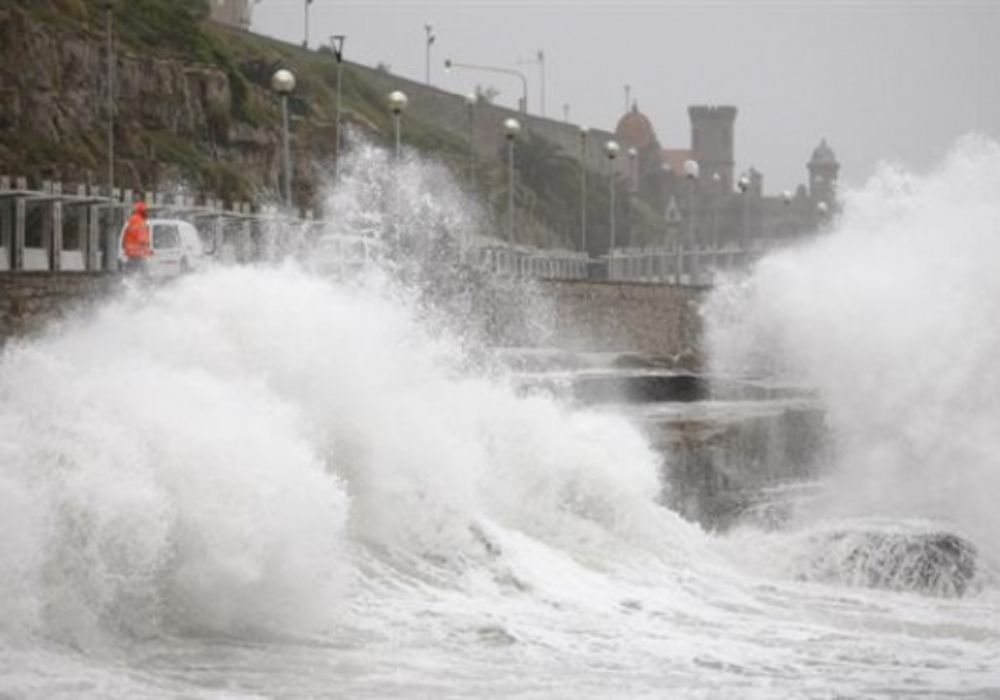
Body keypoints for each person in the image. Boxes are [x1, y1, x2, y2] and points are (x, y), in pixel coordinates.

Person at [121, 201, 151, 274]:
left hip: (130, 254)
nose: (147, 213)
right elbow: (143, 239)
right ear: (142, 211)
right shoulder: (141, 222)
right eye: (146, 211)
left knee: (130, 274)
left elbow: (125, 236)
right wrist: (147, 247)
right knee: (143, 274)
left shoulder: (131, 220)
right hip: (139, 254)